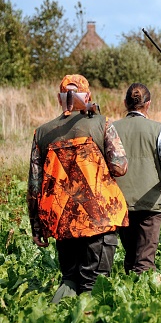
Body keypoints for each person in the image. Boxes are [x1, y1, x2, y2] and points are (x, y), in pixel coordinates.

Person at [27, 74, 128, 303]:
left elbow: (34, 184)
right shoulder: (101, 123)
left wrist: (36, 225)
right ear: (88, 96)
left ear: (59, 99)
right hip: (98, 219)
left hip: (62, 220)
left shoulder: (42, 133)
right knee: (95, 284)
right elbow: (120, 167)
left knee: (70, 278)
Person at [113, 83, 161, 273]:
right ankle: (143, 297)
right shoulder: (160, 130)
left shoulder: (111, 129)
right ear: (148, 104)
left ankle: (127, 294)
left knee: (130, 255)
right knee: (145, 259)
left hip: (121, 201)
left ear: (125, 102)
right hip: (150, 203)